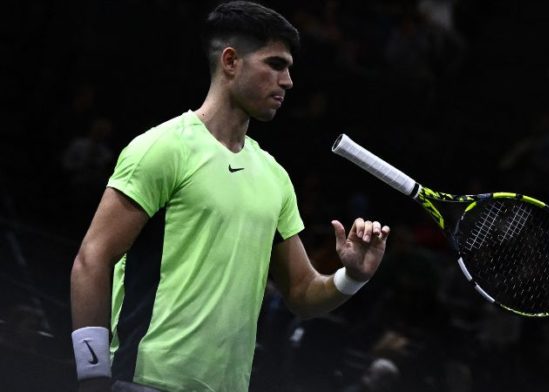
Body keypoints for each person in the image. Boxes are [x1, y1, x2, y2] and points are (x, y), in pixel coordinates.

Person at [69, 2, 391, 391]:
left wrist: (352, 277)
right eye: (275, 64)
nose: (287, 80)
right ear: (231, 61)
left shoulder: (274, 177)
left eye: (288, 68)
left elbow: (303, 294)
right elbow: (93, 257)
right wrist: (92, 377)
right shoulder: (164, 148)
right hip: (142, 380)